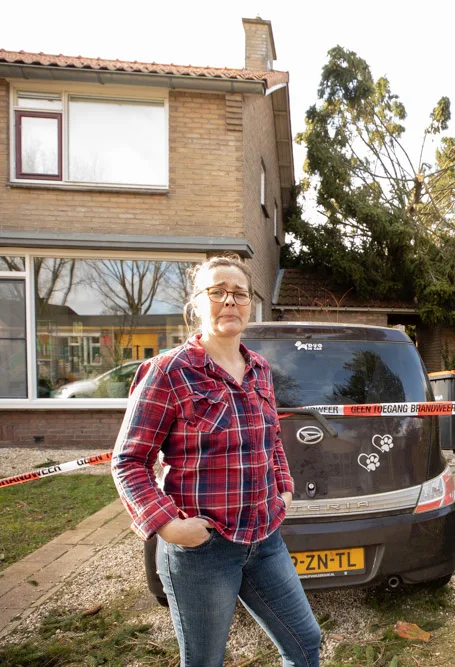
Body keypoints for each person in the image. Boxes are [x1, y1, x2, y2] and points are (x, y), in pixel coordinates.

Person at [112, 254, 321, 667]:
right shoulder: (167, 372)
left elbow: (272, 439)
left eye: (239, 293)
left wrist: (284, 488)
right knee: (205, 661)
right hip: (202, 551)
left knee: (304, 644)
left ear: (250, 304)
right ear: (196, 303)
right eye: (217, 292)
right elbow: (129, 460)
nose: (230, 300)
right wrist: (168, 526)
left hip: (265, 539)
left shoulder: (260, 368)